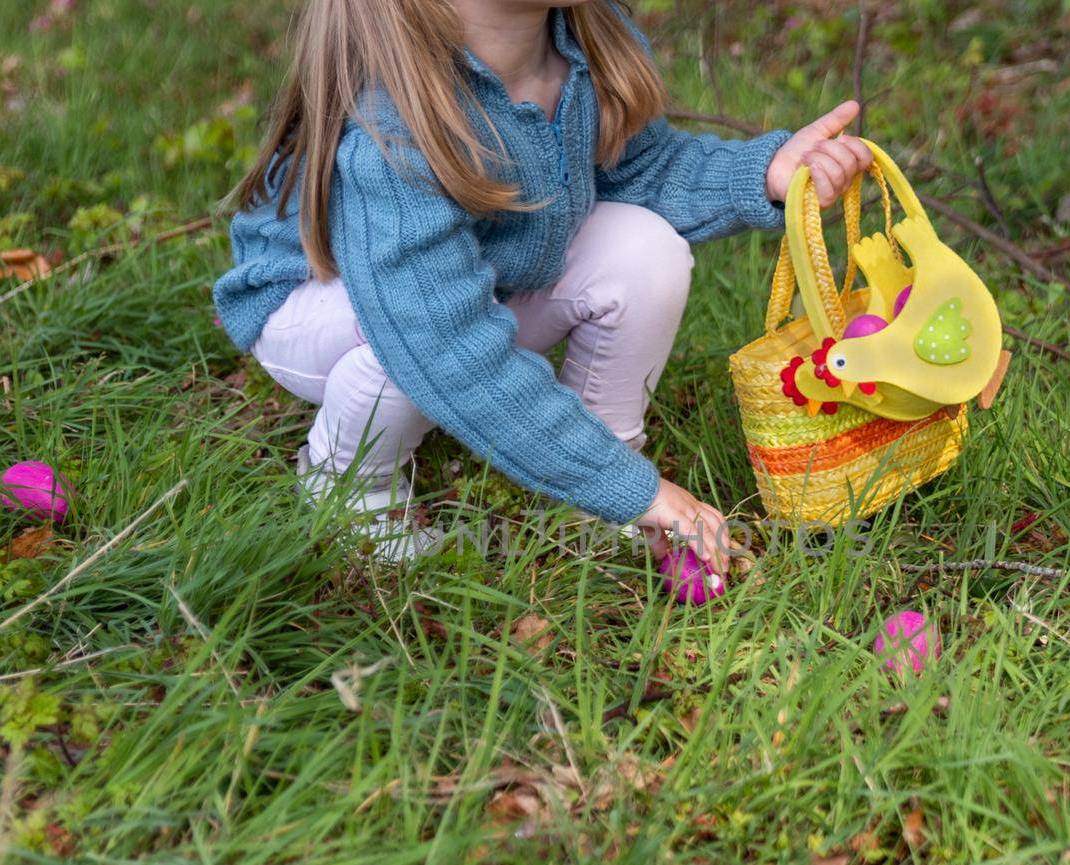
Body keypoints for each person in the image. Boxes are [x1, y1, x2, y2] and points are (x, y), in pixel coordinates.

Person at [215, 0, 872, 570]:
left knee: (644, 247)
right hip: (317, 301)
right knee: (397, 351)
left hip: (474, 280)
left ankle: (594, 465)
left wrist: (765, 175)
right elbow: (443, 345)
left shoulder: (585, 40)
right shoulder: (392, 122)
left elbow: (641, 170)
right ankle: (352, 493)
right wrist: (639, 490)